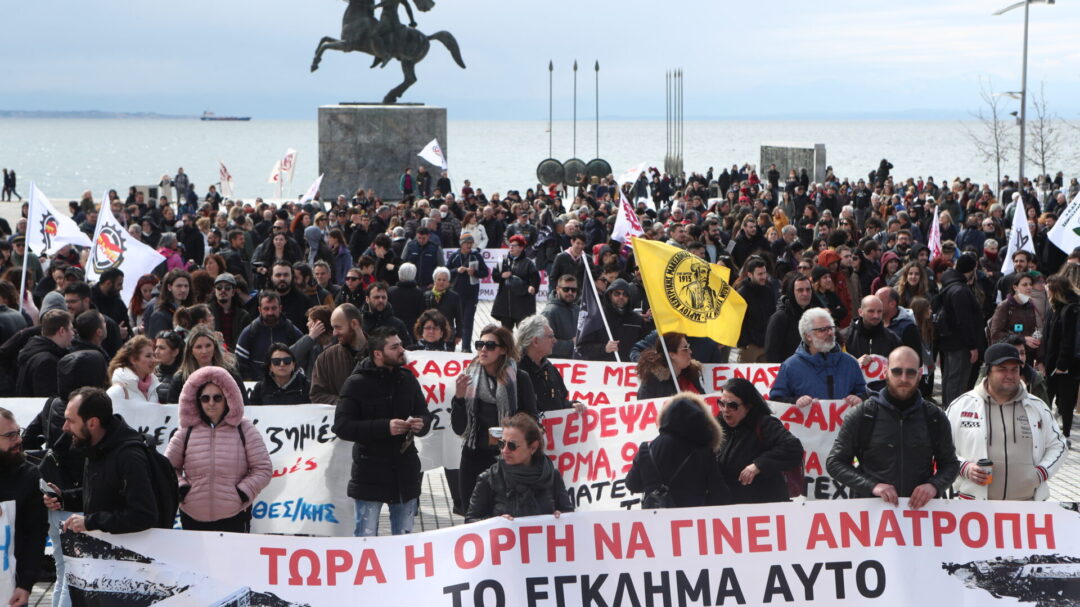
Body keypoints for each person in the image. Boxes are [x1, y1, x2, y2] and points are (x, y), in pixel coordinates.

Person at [826, 347, 959, 508]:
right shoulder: (863, 414)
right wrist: (872, 486)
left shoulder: (934, 417)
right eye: (897, 371)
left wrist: (934, 486)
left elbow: (950, 464)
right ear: (885, 371)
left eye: (910, 373)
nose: (903, 378)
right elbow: (835, 462)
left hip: (920, 514)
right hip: (872, 513)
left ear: (919, 374)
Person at [333, 327, 433, 536]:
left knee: (405, 542)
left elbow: (424, 413)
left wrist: (421, 423)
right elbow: (342, 426)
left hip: (405, 472)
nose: (401, 350)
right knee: (366, 539)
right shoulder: (356, 383)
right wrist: (385, 427)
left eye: (400, 345)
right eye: (395, 347)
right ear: (378, 353)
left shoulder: (407, 378)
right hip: (370, 473)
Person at [947, 343, 1067, 500]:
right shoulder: (961, 406)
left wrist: (1042, 472)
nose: (1010, 375)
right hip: (975, 508)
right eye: (1002, 369)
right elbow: (942, 448)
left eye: (1015, 369)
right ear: (988, 371)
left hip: (1026, 508)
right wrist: (964, 468)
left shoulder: (1037, 406)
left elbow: (1058, 445)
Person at [166, 366, 272, 531]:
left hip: (234, 516)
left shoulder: (244, 428)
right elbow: (167, 468)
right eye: (205, 398)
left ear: (228, 398)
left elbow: (263, 468)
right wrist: (181, 489)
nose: (211, 403)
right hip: (192, 516)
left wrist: (242, 492)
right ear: (196, 400)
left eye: (217, 398)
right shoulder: (186, 431)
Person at [44, 387, 160, 533]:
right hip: (104, 550)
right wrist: (63, 499)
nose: (64, 427)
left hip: (133, 551)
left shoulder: (129, 456)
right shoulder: (94, 445)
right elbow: (101, 495)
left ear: (92, 423)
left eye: (70, 421)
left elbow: (144, 515)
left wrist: (91, 522)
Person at [451, 324, 537, 511]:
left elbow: (532, 419)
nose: (483, 349)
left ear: (503, 350)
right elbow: (459, 429)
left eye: (490, 346)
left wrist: (510, 430)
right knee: (471, 514)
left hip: (507, 458)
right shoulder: (468, 378)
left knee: (503, 515)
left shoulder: (519, 379)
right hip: (473, 456)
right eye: (480, 344)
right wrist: (458, 397)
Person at [625, 393, 731, 508]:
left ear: (665, 417)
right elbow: (721, 495)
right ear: (700, 421)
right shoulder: (704, 453)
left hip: (654, 521)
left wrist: (653, 485)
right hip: (690, 521)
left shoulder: (646, 449)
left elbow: (632, 484)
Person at [465, 412, 574, 522]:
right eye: (502, 444)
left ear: (533, 447)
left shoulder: (552, 475)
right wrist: (495, 522)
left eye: (512, 446)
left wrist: (561, 517)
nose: (504, 450)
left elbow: (570, 516)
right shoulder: (489, 478)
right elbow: (470, 520)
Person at [715, 378, 804, 503]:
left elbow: (793, 447)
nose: (725, 409)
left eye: (732, 405)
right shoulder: (717, 426)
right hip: (729, 506)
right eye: (721, 403)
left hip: (764, 506)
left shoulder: (764, 424)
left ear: (748, 406)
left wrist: (759, 465)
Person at [0, 407, 48, 607]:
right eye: (10, 435)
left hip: (10, 588)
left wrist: (26, 584)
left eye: (18, 432)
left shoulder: (29, 475)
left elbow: (35, 533)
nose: (18, 440)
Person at [769, 308, 868, 406]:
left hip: (845, 421)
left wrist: (859, 399)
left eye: (831, 328)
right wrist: (795, 401)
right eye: (822, 330)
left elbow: (865, 394)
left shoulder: (850, 362)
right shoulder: (790, 366)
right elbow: (776, 400)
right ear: (808, 336)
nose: (829, 333)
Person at [937, 254, 986, 408]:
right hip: (961, 344)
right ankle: (953, 413)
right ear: (973, 269)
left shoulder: (950, 285)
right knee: (957, 382)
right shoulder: (960, 290)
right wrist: (972, 346)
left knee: (950, 379)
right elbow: (964, 321)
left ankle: (947, 410)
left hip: (951, 341)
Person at [514, 314, 580, 413]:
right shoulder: (515, 371)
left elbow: (559, 402)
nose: (555, 341)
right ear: (535, 341)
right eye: (550, 336)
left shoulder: (549, 367)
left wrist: (571, 405)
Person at [165, 325, 245, 404]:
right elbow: (173, 411)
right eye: (199, 347)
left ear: (215, 347)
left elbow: (244, 404)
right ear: (191, 351)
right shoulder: (180, 379)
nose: (204, 351)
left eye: (208, 346)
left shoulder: (231, 373)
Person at [1042, 274, 1079, 442]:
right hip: (1051, 362)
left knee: (1066, 400)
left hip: (1066, 365)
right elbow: (1046, 336)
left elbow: (1068, 339)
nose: (1045, 289)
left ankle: (1064, 434)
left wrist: (1062, 364)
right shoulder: (1054, 308)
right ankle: (1048, 433)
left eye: (1048, 287)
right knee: (1048, 398)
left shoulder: (1070, 310)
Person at [235, 291, 304, 381]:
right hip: (257, 386)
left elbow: (303, 358)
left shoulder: (291, 331)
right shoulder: (250, 332)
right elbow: (240, 362)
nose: (270, 312)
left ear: (280, 308)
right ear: (260, 310)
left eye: (274, 308)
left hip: (286, 386)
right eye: (266, 309)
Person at [576, 278, 647, 362]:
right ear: (610, 295)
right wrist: (604, 348)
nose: (621, 297)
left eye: (625, 294)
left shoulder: (637, 320)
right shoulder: (598, 317)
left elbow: (645, 347)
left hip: (629, 370)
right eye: (617, 294)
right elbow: (582, 348)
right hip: (604, 370)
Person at [310, 303, 369, 406]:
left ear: (354, 324)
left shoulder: (380, 354)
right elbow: (317, 395)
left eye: (338, 327)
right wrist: (345, 403)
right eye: (333, 328)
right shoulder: (325, 359)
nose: (334, 333)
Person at [16, 309, 73, 397]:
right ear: (62, 331)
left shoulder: (35, 351)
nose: (73, 333)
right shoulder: (47, 361)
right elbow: (47, 399)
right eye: (71, 329)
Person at [446, 234, 489, 352]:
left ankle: (466, 347)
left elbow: (485, 272)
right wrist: (456, 270)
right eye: (467, 243)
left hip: (471, 294)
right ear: (461, 244)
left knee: (468, 321)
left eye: (471, 243)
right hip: (456, 294)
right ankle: (451, 345)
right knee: (452, 321)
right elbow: (446, 271)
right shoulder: (455, 256)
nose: (469, 246)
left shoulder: (476, 256)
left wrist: (475, 272)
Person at [989, 272, 1043, 364]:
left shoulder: (1030, 305)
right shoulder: (1004, 306)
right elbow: (996, 335)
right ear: (1015, 287)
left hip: (1027, 357)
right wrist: (1023, 339)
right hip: (1008, 356)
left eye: (1030, 284)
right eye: (1024, 284)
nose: (1029, 287)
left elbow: (1034, 331)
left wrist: (1039, 359)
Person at [636, 332, 704, 400]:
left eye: (688, 347)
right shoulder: (653, 381)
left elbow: (705, 401)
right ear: (672, 355)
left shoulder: (692, 374)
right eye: (685, 349)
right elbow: (644, 405)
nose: (690, 351)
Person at [491, 235, 540, 329]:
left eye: (514, 245)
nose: (511, 247)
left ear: (521, 248)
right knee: (506, 335)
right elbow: (494, 276)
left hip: (522, 305)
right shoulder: (503, 261)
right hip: (506, 305)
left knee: (524, 333)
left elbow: (535, 280)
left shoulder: (528, 263)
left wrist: (532, 287)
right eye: (510, 245)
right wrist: (501, 276)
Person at [764, 274, 814, 363]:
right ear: (792, 292)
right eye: (800, 290)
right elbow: (771, 353)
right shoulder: (779, 318)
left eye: (808, 289)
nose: (805, 294)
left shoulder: (813, 316)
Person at [841, 295, 902, 366]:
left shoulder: (893, 339)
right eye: (871, 311)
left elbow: (900, 367)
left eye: (879, 311)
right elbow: (837, 368)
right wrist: (855, 364)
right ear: (860, 312)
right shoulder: (845, 337)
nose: (876, 316)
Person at [736, 257, 775, 363]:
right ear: (750, 274)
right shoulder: (742, 293)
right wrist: (744, 342)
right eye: (760, 274)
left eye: (764, 273)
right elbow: (738, 321)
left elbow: (772, 315)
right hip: (749, 346)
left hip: (765, 344)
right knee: (745, 377)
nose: (763, 277)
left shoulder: (769, 290)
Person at [105, 336, 161, 403]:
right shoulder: (118, 390)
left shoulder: (152, 386)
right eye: (148, 356)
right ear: (133, 359)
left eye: (153, 355)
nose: (154, 360)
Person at [144, 269, 193, 339]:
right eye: (179, 286)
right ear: (169, 287)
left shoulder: (189, 310)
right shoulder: (160, 315)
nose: (183, 290)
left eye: (186, 286)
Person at [360, 281, 412, 346]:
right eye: (376, 297)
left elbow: (407, 349)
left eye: (383, 297)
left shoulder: (398, 324)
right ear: (367, 299)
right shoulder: (359, 322)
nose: (381, 300)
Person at [209, 273, 252, 350]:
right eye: (219, 288)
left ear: (233, 292)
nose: (223, 290)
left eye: (227, 288)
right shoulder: (207, 313)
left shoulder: (244, 316)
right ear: (215, 291)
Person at [424, 267, 464, 347]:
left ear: (448, 282)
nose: (441, 282)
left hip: (448, 335)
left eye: (444, 280)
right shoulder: (426, 295)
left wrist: (459, 335)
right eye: (439, 280)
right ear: (434, 281)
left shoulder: (454, 296)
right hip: (430, 334)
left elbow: (459, 317)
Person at [388, 262, 427, 336]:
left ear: (399, 274)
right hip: (413, 330)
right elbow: (422, 314)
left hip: (393, 330)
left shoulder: (390, 291)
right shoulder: (420, 293)